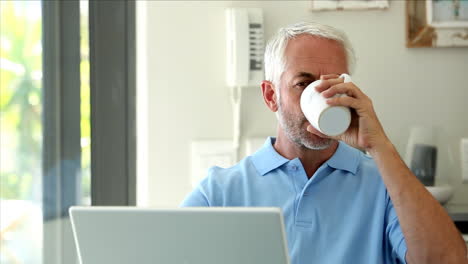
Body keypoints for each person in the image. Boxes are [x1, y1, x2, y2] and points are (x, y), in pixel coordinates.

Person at [181, 22, 467, 264]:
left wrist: (378, 144)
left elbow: (449, 260)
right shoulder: (220, 192)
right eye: (304, 84)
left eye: (333, 84)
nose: (324, 98)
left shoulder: (385, 183)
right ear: (271, 96)